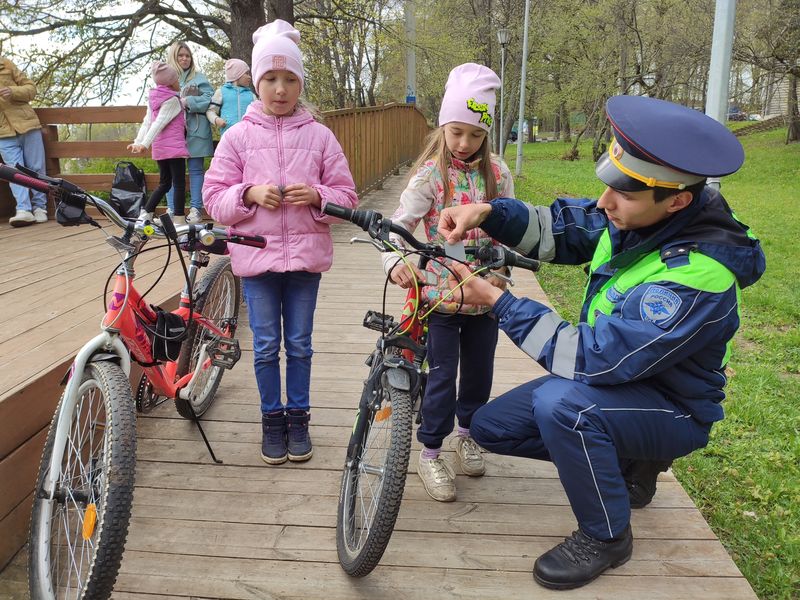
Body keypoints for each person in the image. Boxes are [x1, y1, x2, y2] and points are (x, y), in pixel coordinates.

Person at [437, 95, 766, 590]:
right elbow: (564, 227)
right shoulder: (644, 216)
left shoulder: (699, 275)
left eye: (623, 195)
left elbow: (590, 356)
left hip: (673, 406)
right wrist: (487, 212)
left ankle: (607, 535)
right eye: (607, 187)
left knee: (562, 405)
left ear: (677, 200)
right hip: (622, 383)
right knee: (490, 427)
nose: (606, 203)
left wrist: (500, 302)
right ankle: (630, 466)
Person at [203, 20, 358, 465]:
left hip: (306, 262)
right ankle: (272, 418)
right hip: (256, 259)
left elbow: (346, 196)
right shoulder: (236, 137)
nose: (280, 88)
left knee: (301, 344)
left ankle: (299, 416)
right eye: (270, 78)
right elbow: (214, 198)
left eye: (290, 78)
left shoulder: (320, 136)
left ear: (300, 82)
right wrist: (248, 195)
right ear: (255, 82)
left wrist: (318, 197)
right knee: (267, 344)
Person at [382, 63, 514, 503]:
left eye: (475, 134)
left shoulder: (499, 174)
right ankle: (431, 451)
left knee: (479, 372)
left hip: (486, 297)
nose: (464, 143)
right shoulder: (430, 176)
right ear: (443, 127)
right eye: (456, 131)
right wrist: (395, 260)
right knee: (441, 375)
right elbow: (397, 225)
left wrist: (505, 270)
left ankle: (467, 434)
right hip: (439, 297)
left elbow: (513, 227)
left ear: (487, 133)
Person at [127, 61, 188, 224]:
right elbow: (158, 123)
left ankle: (146, 213)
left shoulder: (154, 98)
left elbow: (147, 121)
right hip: (174, 149)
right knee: (179, 184)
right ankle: (179, 220)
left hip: (160, 148)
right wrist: (142, 144)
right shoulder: (172, 100)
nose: (178, 82)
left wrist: (139, 141)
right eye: (176, 79)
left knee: (165, 183)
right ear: (169, 82)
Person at [166, 41, 214, 225]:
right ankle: (172, 209)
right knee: (172, 172)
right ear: (174, 57)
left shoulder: (199, 78)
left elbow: (208, 98)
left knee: (195, 170)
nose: (185, 59)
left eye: (187, 55)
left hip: (196, 130)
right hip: (173, 131)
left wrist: (188, 102)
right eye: (181, 55)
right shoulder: (166, 79)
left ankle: (195, 209)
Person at [0, 56, 48, 226]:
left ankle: (40, 208)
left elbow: (31, 88)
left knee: (36, 167)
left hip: (27, 124)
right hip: (3, 132)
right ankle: (23, 209)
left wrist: (13, 91)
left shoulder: (5, 64)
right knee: (13, 172)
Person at [206, 58, 255, 136]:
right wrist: (216, 120)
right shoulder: (221, 92)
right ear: (236, 74)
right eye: (246, 73)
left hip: (249, 138)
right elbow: (210, 111)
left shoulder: (252, 96)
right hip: (228, 138)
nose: (249, 77)